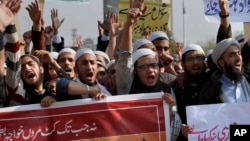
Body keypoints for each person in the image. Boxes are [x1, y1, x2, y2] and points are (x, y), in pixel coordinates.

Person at [171, 44, 208, 141]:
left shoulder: (212, 83)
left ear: (205, 61)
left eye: (199, 58)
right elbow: (173, 114)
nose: (195, 62)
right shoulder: (175, 87)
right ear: (182, 64)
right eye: (190, 59)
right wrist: (181, 129)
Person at [199, 38, 250, 104]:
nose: (238, 58)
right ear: (221, 62)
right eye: (232, 55)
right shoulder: (209, 90)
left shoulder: (248, 80)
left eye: (239, 53)